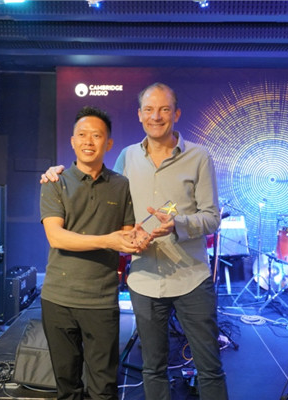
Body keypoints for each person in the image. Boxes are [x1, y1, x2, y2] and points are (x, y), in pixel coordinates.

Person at [42, 83, 229, 399]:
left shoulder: (199, 156)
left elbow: (212, 217)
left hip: (191, 278)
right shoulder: (127, 156)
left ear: (176, 114)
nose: (156, 116)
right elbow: (101, 187)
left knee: (209, 367)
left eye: (164, 109)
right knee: (152, 368)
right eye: (149, 110)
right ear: (140, 115)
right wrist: (56, 173)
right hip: (144, 279)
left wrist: (177, 224)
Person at [39, 105, 149, 400]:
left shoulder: (121, 185)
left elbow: (127, 236)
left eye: (97, 135)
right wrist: (108, 241)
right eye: (82, 135)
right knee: (67, 387)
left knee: (103, 388)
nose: (89, 141)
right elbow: (56, 237)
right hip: (58, 298)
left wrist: (143, 237)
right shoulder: (55, 182)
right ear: (72, 141)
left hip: (101, 300)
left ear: (108, 143)